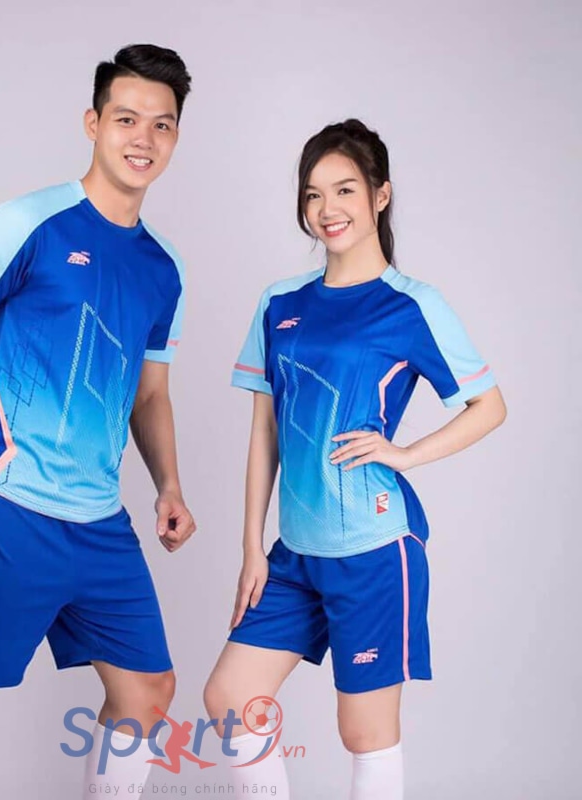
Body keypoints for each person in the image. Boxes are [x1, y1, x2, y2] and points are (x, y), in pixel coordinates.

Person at [0, 44, 196, 800]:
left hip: (98, 520)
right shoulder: (28, 222)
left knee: (148, 692)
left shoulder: (163, 268)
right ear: (93, 123)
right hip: (3, 506)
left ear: (176, 137)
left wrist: (170, 486)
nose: (143, 139)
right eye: (126, 119)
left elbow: (149, 394)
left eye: (161, 124)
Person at [203, 119, 506, 799]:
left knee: (364, 734)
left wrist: (406, 454)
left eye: (344, 189)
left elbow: (489, 406)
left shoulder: (411, 306)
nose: (326, 209)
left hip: (373, 548)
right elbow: (265, 433)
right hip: (294, 551)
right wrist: (252, 548)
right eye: (313, 194)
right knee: (231, 698)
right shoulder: (279, 303)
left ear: (380, 195)